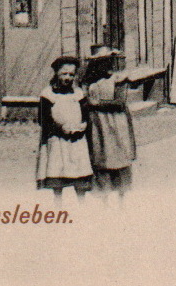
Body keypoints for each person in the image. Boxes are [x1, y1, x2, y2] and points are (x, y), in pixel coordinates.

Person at [82, 45, 136, 205]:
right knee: (100, 158)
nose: (104, 65)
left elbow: (119, 103)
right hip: (96, 125)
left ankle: (121, 200)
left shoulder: (117, 80)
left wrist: (96, 104)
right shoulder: (89, 80)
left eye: (106, 61)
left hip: (115, 124)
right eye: (99, 62)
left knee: (117, 157)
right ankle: (103, 199)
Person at [36, 55, 93, 202]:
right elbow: (43, 119)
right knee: (58, 172)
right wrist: (60, 128)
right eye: (64, 74)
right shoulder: (48, 94)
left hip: (77, 140)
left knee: (79, 172)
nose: (67, 78)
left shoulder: (78, 93)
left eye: (71, 75)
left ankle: (82, 205)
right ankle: (58, 206)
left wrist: (84, 124)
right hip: (57, 140)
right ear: (56, 73)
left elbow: (86, 114)